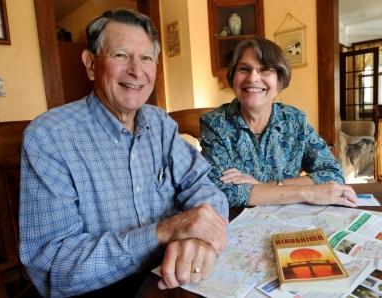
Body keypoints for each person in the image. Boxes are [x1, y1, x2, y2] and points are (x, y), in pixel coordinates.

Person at [19, 9, 228, 297]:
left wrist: (199, 239)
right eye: (120, 55)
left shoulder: (160, 123)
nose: (136, 70)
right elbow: (54, 270)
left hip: (170, 276)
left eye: (146, 58)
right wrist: (164, 232)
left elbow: (203, 186)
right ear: (91, 64)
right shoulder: (50, 138)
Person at [200, 37, 357, 208]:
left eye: (265, 70)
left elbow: (333, 174)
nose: (253, 78)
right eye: (244, 69)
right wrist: (307, 192)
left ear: (280, 80)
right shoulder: (214, 123)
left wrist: (263, 186)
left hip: (290, 220)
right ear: (233, 77)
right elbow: (223, 191)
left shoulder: (295, 120)